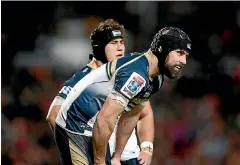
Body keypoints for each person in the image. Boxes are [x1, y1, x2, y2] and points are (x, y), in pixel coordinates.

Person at [57, 26, 191, 165]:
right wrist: (100, 162)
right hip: (74, 123)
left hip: (95, 125)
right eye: (180, 53)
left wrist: (117, 156)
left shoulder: (156, 78)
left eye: (186, 56)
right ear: (162, 49)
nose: (184, 61)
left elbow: (132, 114)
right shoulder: (136, 74)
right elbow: (104, 118)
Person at [46, 19, 157, 165]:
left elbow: (145, 113)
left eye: (121, 42)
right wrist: (81, 151)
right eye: (113, 43)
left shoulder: (127, 73)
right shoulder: (82, 79)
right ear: (99, 47)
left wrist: (146, 147)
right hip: (101, 157)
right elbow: (54, 115)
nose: (120, 48)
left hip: (130, 157)